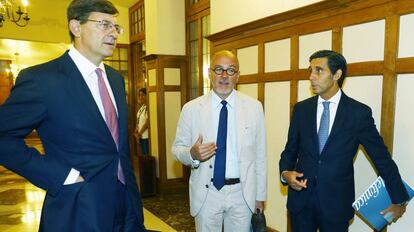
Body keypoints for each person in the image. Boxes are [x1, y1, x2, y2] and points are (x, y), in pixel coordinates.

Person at [0, 0, 145, 231]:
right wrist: (61, 176)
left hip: (125, 201)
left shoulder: (116, 80)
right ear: (76, 28)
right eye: (104, 24)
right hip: (78, 204)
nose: (113, 33)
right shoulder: (42, 80)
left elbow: (115, 146)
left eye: (116, 27)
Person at [279, 50, 409, 232]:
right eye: (310, 70)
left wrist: (399, 199)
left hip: (336, 205)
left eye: (318, 71)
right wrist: (285, 173)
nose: (311, 77)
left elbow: (382, 158)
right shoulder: (301, 110)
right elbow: (290, 150)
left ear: (337, 75)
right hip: (301, 203)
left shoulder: (358, 113)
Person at [172, 50, 267, 231]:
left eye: (230, 70)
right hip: (207, 193)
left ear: (238, 75)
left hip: (242, 194)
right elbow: (177, 150)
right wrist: (192, 154)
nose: (224, 76)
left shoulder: (254, 107)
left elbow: (260, 156)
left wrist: (260, 196)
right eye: (219, 69)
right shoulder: (191, 109)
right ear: (209, 74)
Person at [135, 88, 149, 156]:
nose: (141, 97)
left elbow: (147, 123)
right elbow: (138, 120)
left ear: (147, 95)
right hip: (140, 136)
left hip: (145, 136)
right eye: (139, 95)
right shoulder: (142, 107)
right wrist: (136, 132)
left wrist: (139, 133)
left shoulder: (148, 107)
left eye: (143, 95)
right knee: (143, 155)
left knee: (146, 155)